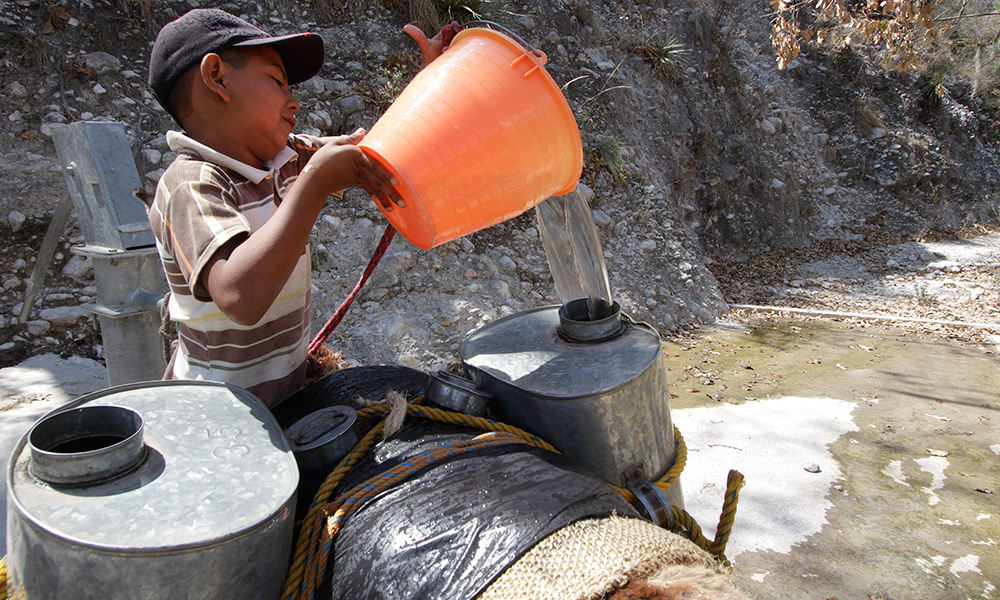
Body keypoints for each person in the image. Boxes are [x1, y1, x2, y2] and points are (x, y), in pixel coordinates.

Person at [145, 8, 442, 406]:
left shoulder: (285, 158)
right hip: (219, 416)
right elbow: (239, 297)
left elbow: (380, 149)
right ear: (217, 77)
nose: (293, 103)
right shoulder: (190, 186)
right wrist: (314, 184)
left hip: (284, 396)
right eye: (277, 81)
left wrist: (432, 84)